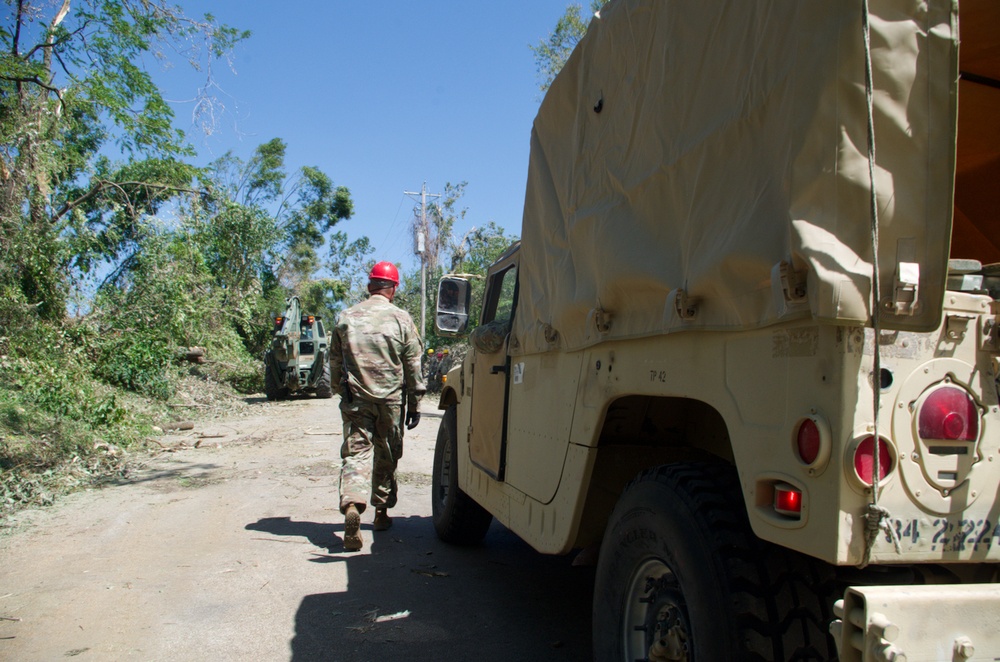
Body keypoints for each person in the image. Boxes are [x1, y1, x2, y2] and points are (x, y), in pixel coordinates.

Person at [329, 261, 426, 552]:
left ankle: (352, 505)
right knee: (386, 453)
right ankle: (381, 513)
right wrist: (415, 403)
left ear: (370, 284)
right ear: (393, 287)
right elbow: (413, 365)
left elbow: (334, 361)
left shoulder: (346, 317)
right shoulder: (401, 319)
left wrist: (340, 392)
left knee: (356, 454)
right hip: (390, 401)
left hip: (357, 400)